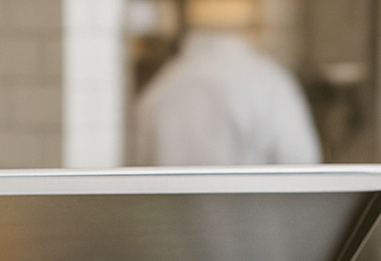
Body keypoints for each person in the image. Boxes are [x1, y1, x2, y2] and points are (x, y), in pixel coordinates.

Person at [133, 0, 322, 166]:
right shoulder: (270, 82)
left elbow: (138, 173)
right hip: (254, 207)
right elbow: (303, 168)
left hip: (172, 207)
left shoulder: (158, 91)